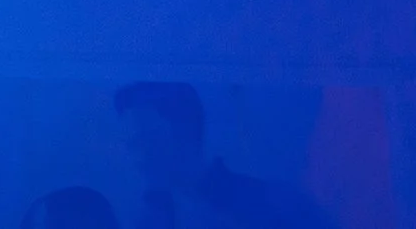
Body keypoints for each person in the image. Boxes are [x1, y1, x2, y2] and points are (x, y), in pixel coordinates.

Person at [114, 82, 335, 229]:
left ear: (185, 130)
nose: (133, 154)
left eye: (144, 138)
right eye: (128, 142)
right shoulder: (148, 217)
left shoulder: (277, 204)